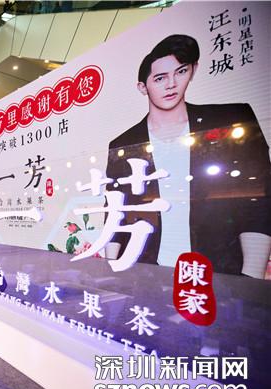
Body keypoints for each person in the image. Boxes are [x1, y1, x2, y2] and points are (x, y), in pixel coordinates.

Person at [106, 34, 271, 275]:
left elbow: (258, 200)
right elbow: (115, 211)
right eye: (160, 78)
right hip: (148, 272)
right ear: (143, 87)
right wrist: (111, 272)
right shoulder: (124, 143)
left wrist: (250, 278)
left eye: (181, 72)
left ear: (193, 70)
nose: (171, 84)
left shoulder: (231, 119)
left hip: (220, 272)